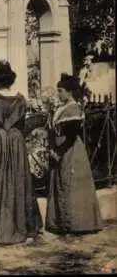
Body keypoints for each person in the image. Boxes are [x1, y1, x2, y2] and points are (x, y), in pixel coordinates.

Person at [0, 61, 43, 245]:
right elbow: (23, 125)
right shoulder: (21, 100)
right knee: (18, 179)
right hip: (15, 139)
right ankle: (22, 225)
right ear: (11, 81)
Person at [45, 73, 103, 235]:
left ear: (69, 92)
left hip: (70, 150)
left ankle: (75, 223)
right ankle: (62, 222)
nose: (58, 93)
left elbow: (71, 135)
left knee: (70, 184)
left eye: (61, 90)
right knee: (62, 182)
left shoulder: (73, 108)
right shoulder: (62, 107)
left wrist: (60, 151)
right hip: (61, 148)